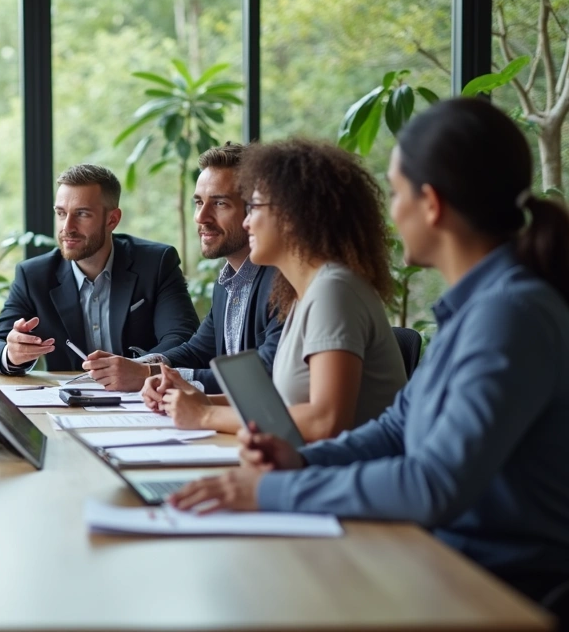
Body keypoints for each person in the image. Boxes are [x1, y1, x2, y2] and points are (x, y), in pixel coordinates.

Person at [169, 97, 569, 607]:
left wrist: (270, 491)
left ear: (432, 204)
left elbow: (433, 482)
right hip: (445, 560)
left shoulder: (511, 314)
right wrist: (298, 460)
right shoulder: (480, 307)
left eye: (398, 192)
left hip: (496, 588)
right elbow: (396, 429)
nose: (391, 211)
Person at [145, 139, 407, 441]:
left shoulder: (334, 291)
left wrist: (206, 414)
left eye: (254, 207)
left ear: (294, 215)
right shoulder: (304, 293)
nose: (246, 221)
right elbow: (281, 406)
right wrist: (193, 400)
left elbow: (326, 421)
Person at [0, 164, 199, 391]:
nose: (67, 227)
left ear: (112, 220)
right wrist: (12, 353)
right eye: (61, 213)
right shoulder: (34, 275)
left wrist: (138, 369)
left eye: (82, 214)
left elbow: (183, 338)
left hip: (146, 398)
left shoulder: (156, 263)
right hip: (68, 403)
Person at [138, 143, 282, 395]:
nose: (201, 217)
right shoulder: (227, 282)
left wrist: (150, 375)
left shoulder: (284, 281)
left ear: (256, 210)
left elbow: (267, 371)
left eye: (220, 204)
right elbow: (197, 351)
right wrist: (136, 365)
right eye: (198, 202)